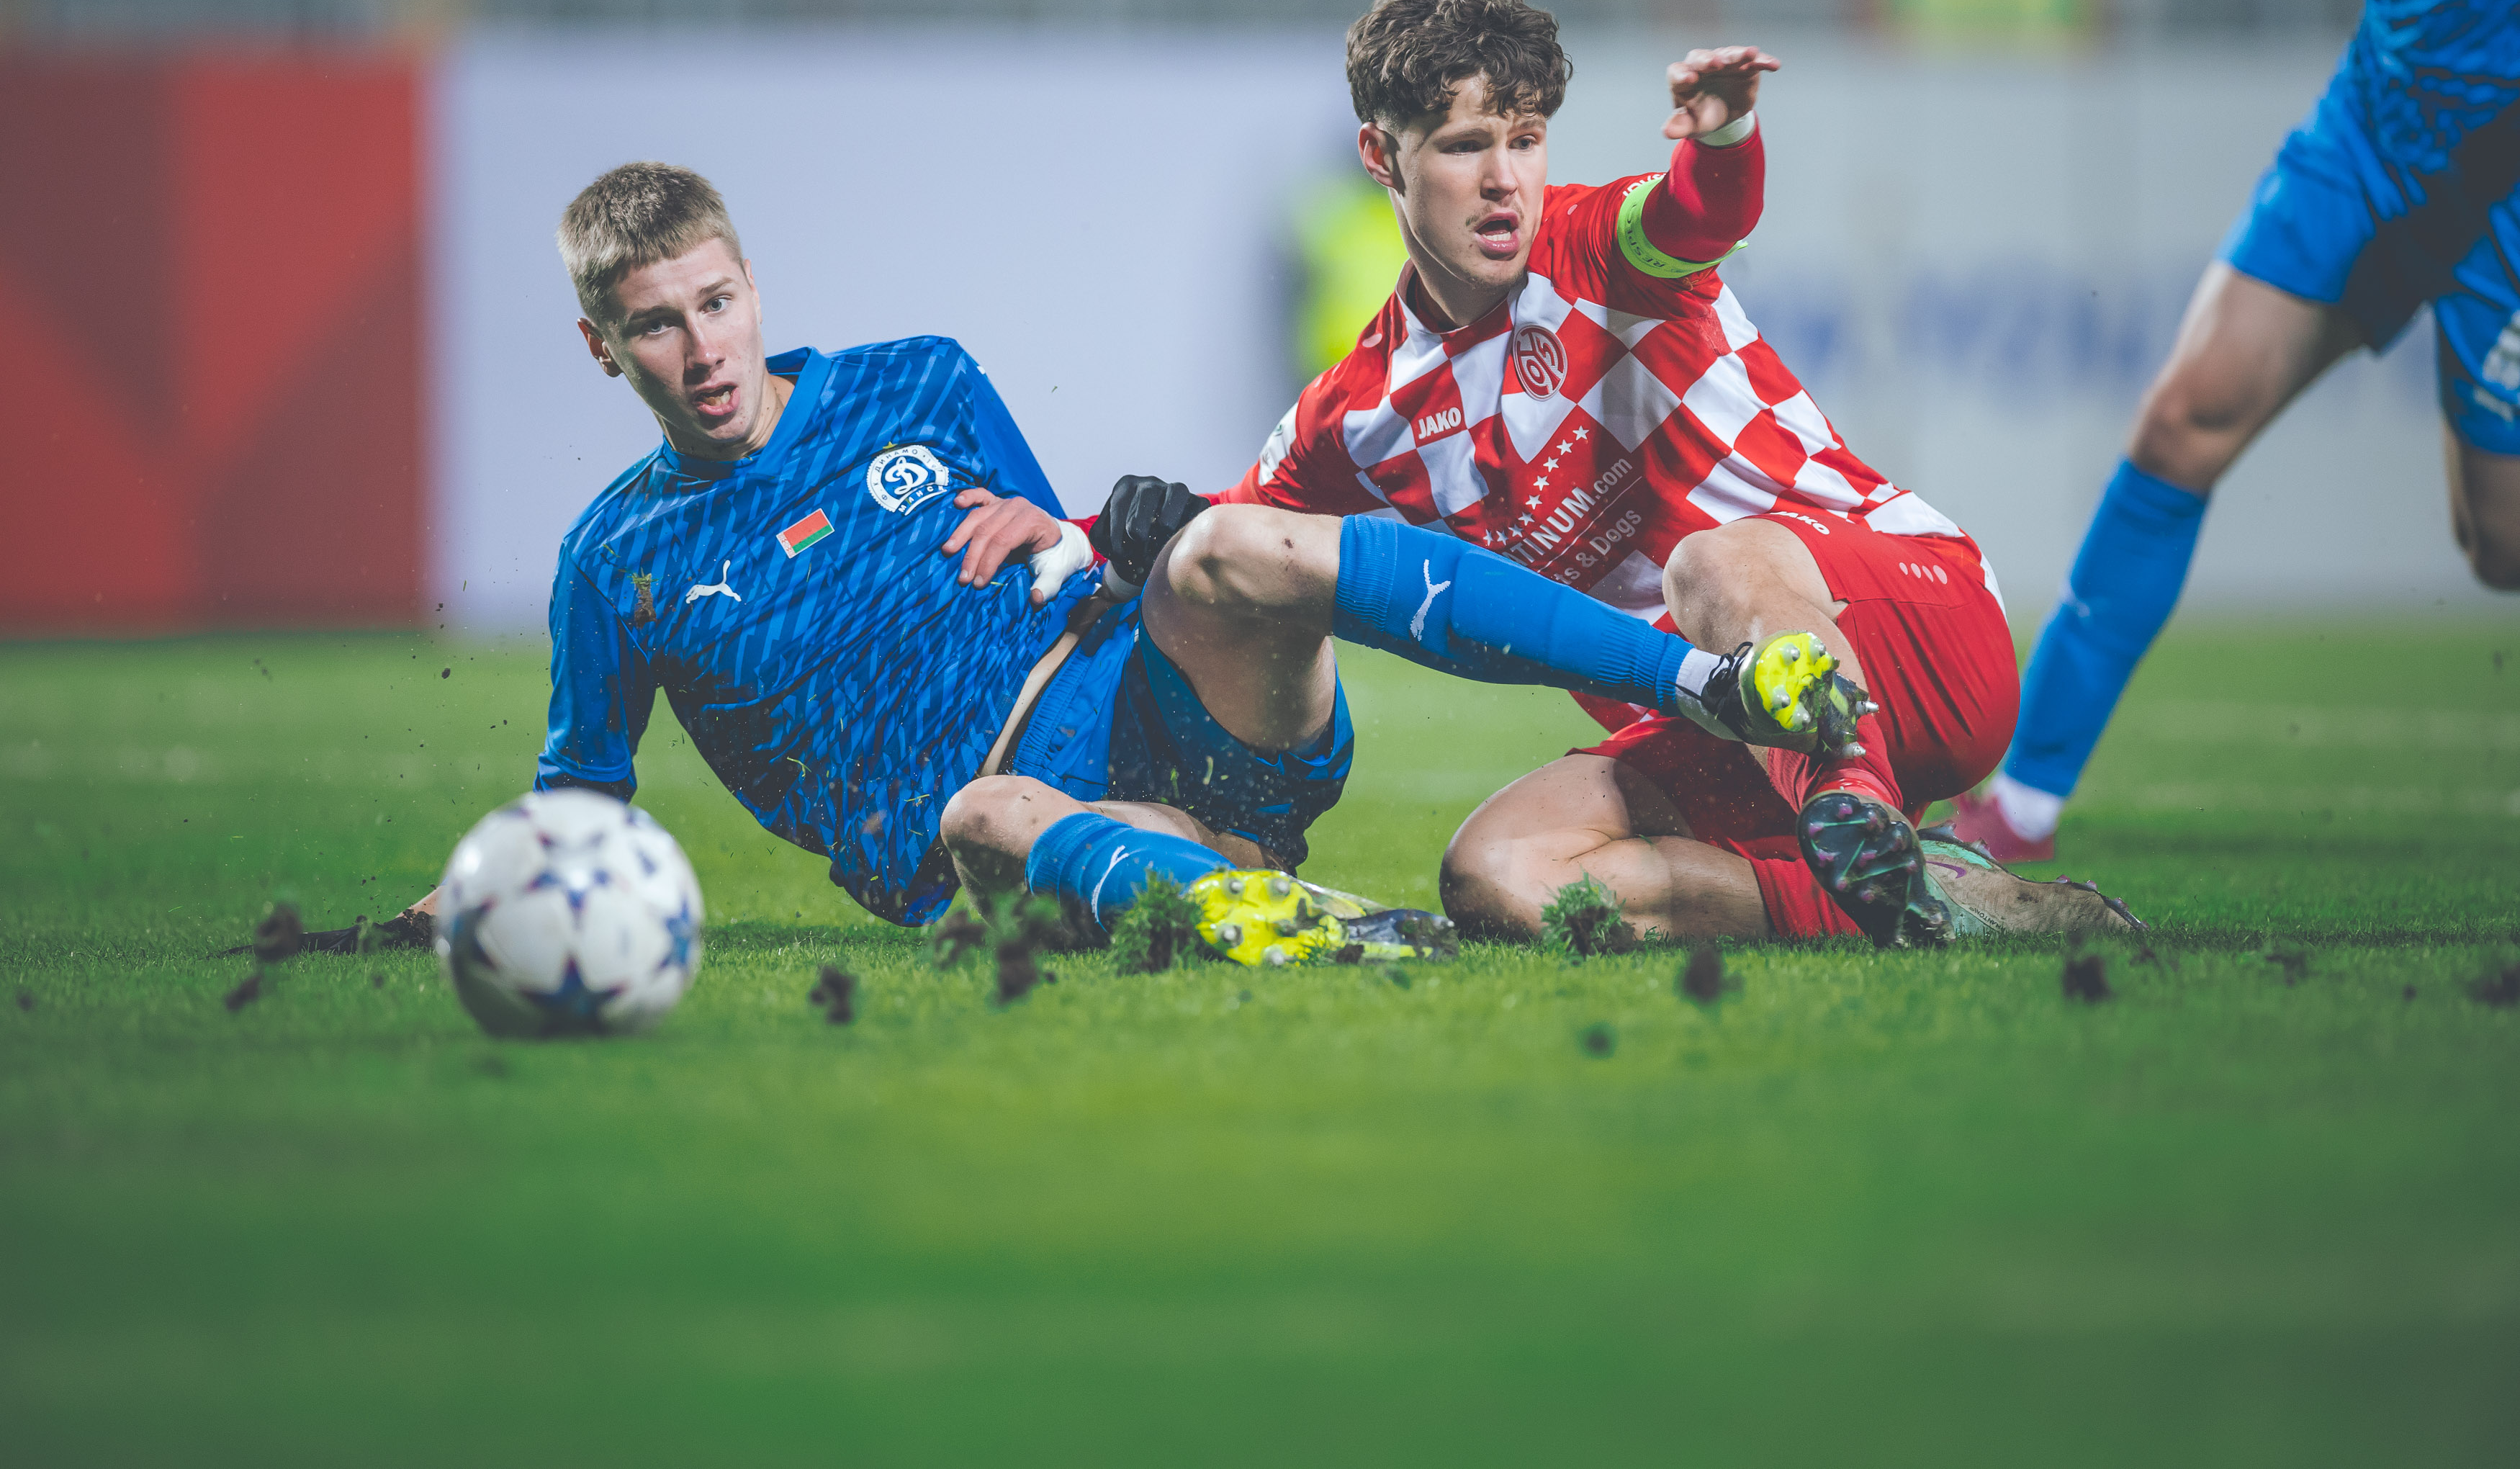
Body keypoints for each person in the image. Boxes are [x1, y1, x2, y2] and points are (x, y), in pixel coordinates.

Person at [351, 161, 1860, 966]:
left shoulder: (916, 383)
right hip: (1010, 833)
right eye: (657, 328)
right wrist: (488, 888)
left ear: (752, 285)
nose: (703, 352)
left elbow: (1056, 554)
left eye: (716, 302)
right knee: (989, 809)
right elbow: (585, 792)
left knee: (1225, 547)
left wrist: (1118, 543)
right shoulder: (616, 559)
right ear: (601, 347)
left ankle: (1709, 679)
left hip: (1158, 702)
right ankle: (1284, 918)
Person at [1094, 0, 2138, 948]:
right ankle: (1943, 897)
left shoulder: (1602, 248)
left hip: (1924, 639)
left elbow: (1701, 210)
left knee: (1711, 567)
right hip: (1728, 721)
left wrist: (1725, 137)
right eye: (1465, 146)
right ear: (1381, 157)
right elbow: (1228, 539)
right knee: (1500, 872)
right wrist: (1102, 527)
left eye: (1527, 139)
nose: (1506, 180)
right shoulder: (1360, 412)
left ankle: (1852, 792)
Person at [1952, 0, 2520, 863]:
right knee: (2181, 422)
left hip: (2502, 192)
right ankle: (2023, 802)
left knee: (2497, 546)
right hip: (2371, 136)